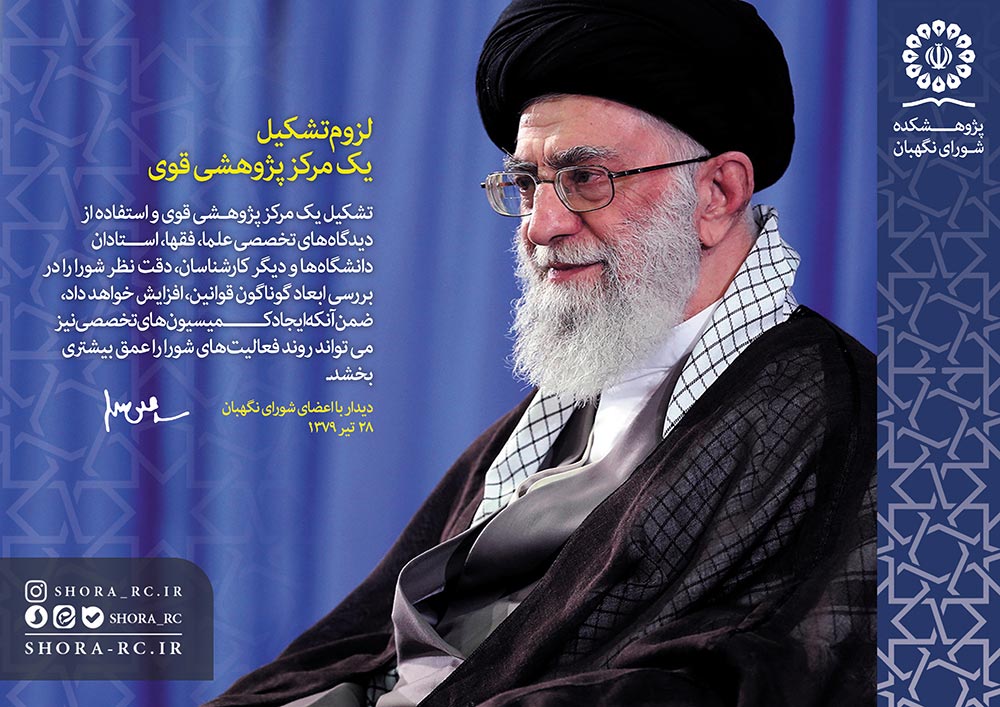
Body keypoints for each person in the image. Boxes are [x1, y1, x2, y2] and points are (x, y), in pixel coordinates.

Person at [206, 1, 875, 705]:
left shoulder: (844, 423)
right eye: (527, 185)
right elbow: (367, 646)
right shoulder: (558, 411)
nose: (541, 225)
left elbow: (759, 676)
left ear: (717, 193)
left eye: (586, 179)